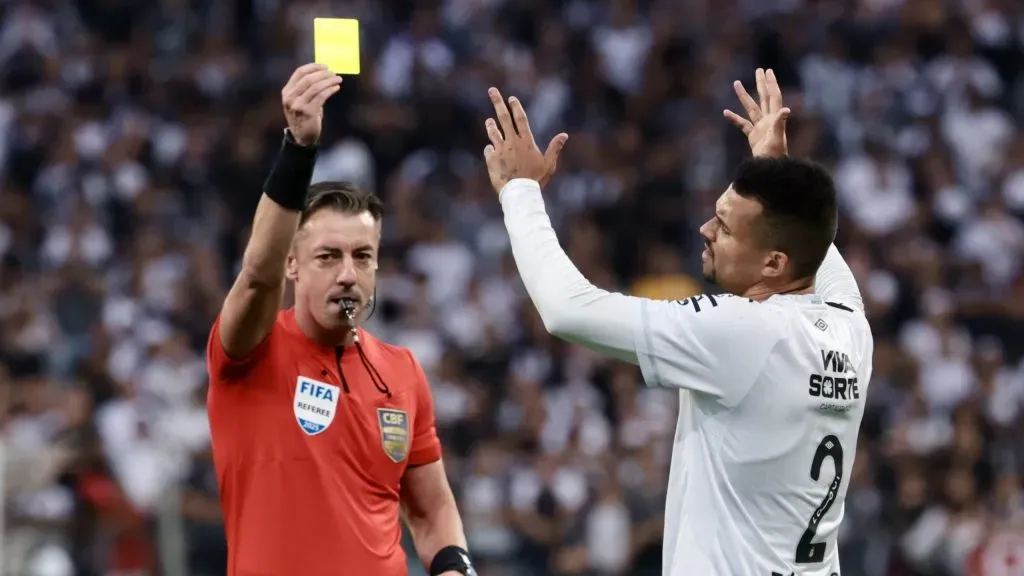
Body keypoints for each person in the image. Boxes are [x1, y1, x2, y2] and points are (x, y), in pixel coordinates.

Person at [481, 68, 873, 576]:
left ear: (773, 263)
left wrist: (519, 191)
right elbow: (812, 244)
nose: (706, 229)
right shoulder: (850, 326)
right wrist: (774, 168)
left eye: (725, 227)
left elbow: (568, 310)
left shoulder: (745, 333)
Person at [205, 63, 474, 576]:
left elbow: (431, 509)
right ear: (292, 264)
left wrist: (454, 567)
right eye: (328, 256)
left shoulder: (402, 371)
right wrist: (298, 150)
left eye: (362, 256)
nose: (348, 274)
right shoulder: (250, 351)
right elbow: (257, 276)